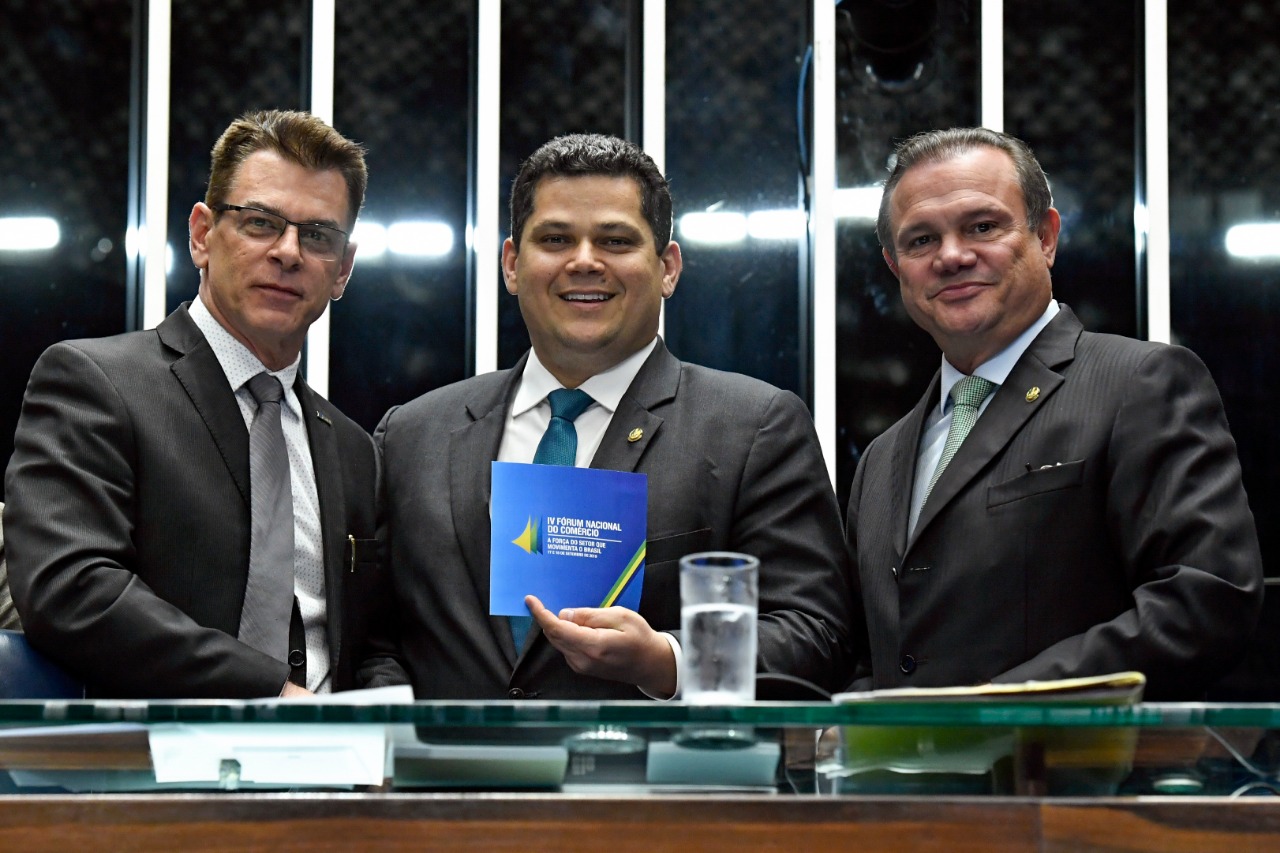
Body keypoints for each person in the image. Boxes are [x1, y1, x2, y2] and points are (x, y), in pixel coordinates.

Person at [377, 133, 856, 700]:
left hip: (650, 758)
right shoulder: (412, 435)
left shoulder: (755, 428)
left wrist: (667, 661)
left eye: (616, 241)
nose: (584, 261)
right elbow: (373, 639)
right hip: (448, 760)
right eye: (555, 239)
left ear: (668, 268)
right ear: (511, 264)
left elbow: (819, 634)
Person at [845, 127, 1263, 700]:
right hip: (902, 761)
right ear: (896, 268)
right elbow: (868, 653)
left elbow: (1204, 600)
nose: (952, 256)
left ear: (1045, 237)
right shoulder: (881, 459)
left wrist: (992, 712)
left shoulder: (1140, 384)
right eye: (921, 240)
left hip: (1077, 757)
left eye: (982, 227)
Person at [4, 109, 403, 698]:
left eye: (318, 235)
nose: (288, 252)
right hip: (154, 750)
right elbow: (71, 588)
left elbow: (375, 643)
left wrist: (380, 715)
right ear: (201, 235)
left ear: (342, 270)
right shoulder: (96, 383)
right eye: (261, 223)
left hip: (337, 751)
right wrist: (272, 695)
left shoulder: (353, 449)